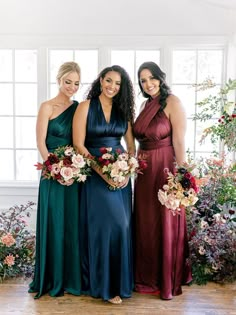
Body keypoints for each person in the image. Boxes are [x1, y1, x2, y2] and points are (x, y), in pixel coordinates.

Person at [73, 65, 135, 304]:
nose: (112, 86)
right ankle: (105, 287)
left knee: (122, 227)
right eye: (109, 81)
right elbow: (79, 144)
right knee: (104, 228)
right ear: (101, 81)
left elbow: (130, 147)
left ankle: (120, 283)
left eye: (117, 84)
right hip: (95, 175)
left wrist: (127, 172)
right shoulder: (85, 107)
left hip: (121, 174)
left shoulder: (123, 111)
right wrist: (102, 172)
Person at [133, 61, 192, 300]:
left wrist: (183, 176)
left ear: (160, 77)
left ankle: (167, 277)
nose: (148, 84)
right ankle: (146, 275)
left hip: (165, 167)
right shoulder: (146, 104)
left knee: (165, 220)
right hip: (144, 170)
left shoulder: (173, 102)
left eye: (151, 78)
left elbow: (179, 141)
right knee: (146, 223)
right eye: (143, 81)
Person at [29, 61, 82, 298]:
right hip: (52, 174)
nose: (72, 87)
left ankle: (71, 278)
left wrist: (73, 167)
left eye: (76, 83)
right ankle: (51, 278)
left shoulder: (78, 108)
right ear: (59, 80)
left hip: (74, 175)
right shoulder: (47, 106)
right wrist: (54, 167)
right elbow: (41, 141)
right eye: (68, 82)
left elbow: (80, 141)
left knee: (71, 224)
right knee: (53, 221)